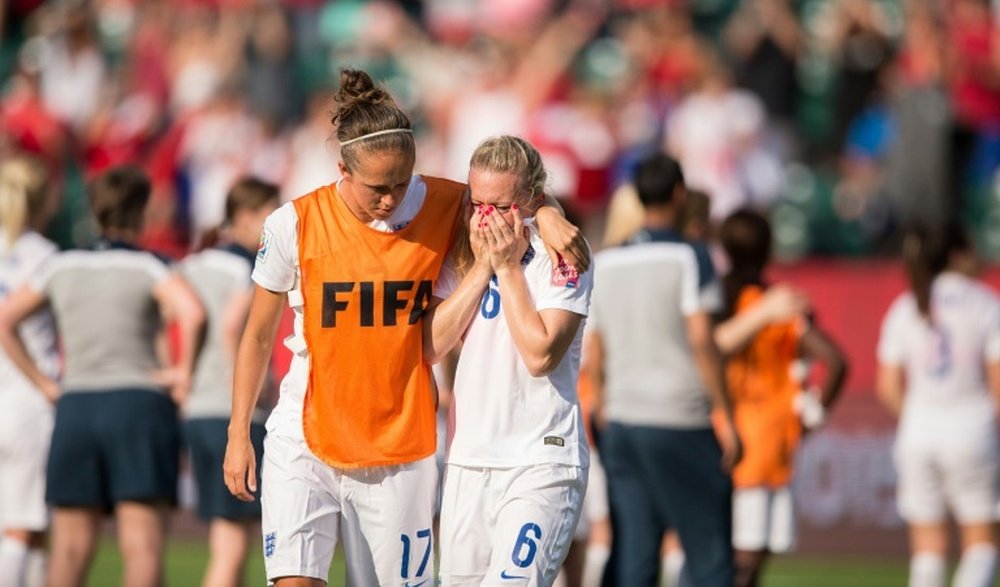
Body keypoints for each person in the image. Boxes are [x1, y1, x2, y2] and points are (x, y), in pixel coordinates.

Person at [222, 68, 589, 587]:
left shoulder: (443, 203)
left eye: (402, 182)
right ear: (342, 169)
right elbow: (258, 334)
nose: (391, 199)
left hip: (398, 441)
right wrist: (239, 431)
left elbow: (512, 197)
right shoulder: (294, 224)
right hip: (305, 428)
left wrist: (549, 213)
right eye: (377, 187)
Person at [0, 165, 205, 587]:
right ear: (141, 211)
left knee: (70, 548)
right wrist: (182, 374)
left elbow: (6, 320)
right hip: (138, 403)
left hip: (76, 405)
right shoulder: (149, 265)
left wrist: (43, 383)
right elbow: (192, 312)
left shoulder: (61, 264)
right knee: (141, 545)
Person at [438, 135, 594, 586]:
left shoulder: (563, 255)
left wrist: (507, 269)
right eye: (478, 203)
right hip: (469, 459)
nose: (486, 218)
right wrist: (484, 267)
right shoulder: (463, 251)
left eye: (501, 206)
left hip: (540, 459)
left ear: (531, 200)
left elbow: (540, 354)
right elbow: (432, 344)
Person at [586, 152, 740, 587]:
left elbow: (597, 348)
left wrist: (602, 406)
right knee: (709, 556)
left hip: (620, 421)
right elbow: (700, 338)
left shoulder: (607, 260)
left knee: (634, 557)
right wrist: (725, 414)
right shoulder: (690, 256)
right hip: (679, 417)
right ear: (679, 193)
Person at [713, 209, 849, 587]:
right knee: (748, 560)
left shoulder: (715, 300)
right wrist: (814, 414)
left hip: (720, 430)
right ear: (769, 249)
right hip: (768, 438)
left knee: (731, 553)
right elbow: (836, 363)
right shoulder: (781, 305)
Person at [877, 225, 1000, 587]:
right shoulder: (985, 302)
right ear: (958, 254)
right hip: (971, 427)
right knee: (981, 543)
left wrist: (916, 418)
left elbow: (887, 387)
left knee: (927, 550)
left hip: (918, 431)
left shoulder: (906, 304)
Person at [179, 177, 280, 587]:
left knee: (225, 534)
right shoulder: (248, 267)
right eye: (267, 216)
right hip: (232, 410)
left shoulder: (194, 262)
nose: (274, 226)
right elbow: (230, 326)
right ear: (242, 217)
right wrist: (245, 378)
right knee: (232, 542)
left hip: (197, 408)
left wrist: (180, 372)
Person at [0, 156, 59, 587]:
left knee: (32, 527)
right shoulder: (43, 255)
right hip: (26, 400)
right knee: (21, 526)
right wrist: (42, 381)